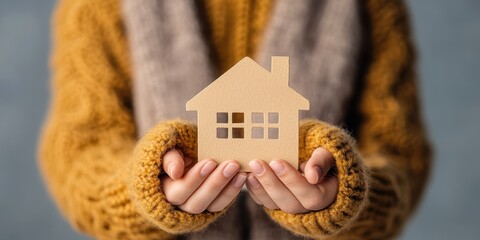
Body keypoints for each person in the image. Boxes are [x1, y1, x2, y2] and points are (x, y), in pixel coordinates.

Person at [39, 0, 432, 239]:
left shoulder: (370, 7)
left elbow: (402, 155)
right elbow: (77, 153)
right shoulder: (97, 6)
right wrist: (142, 190)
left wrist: (346, 193)